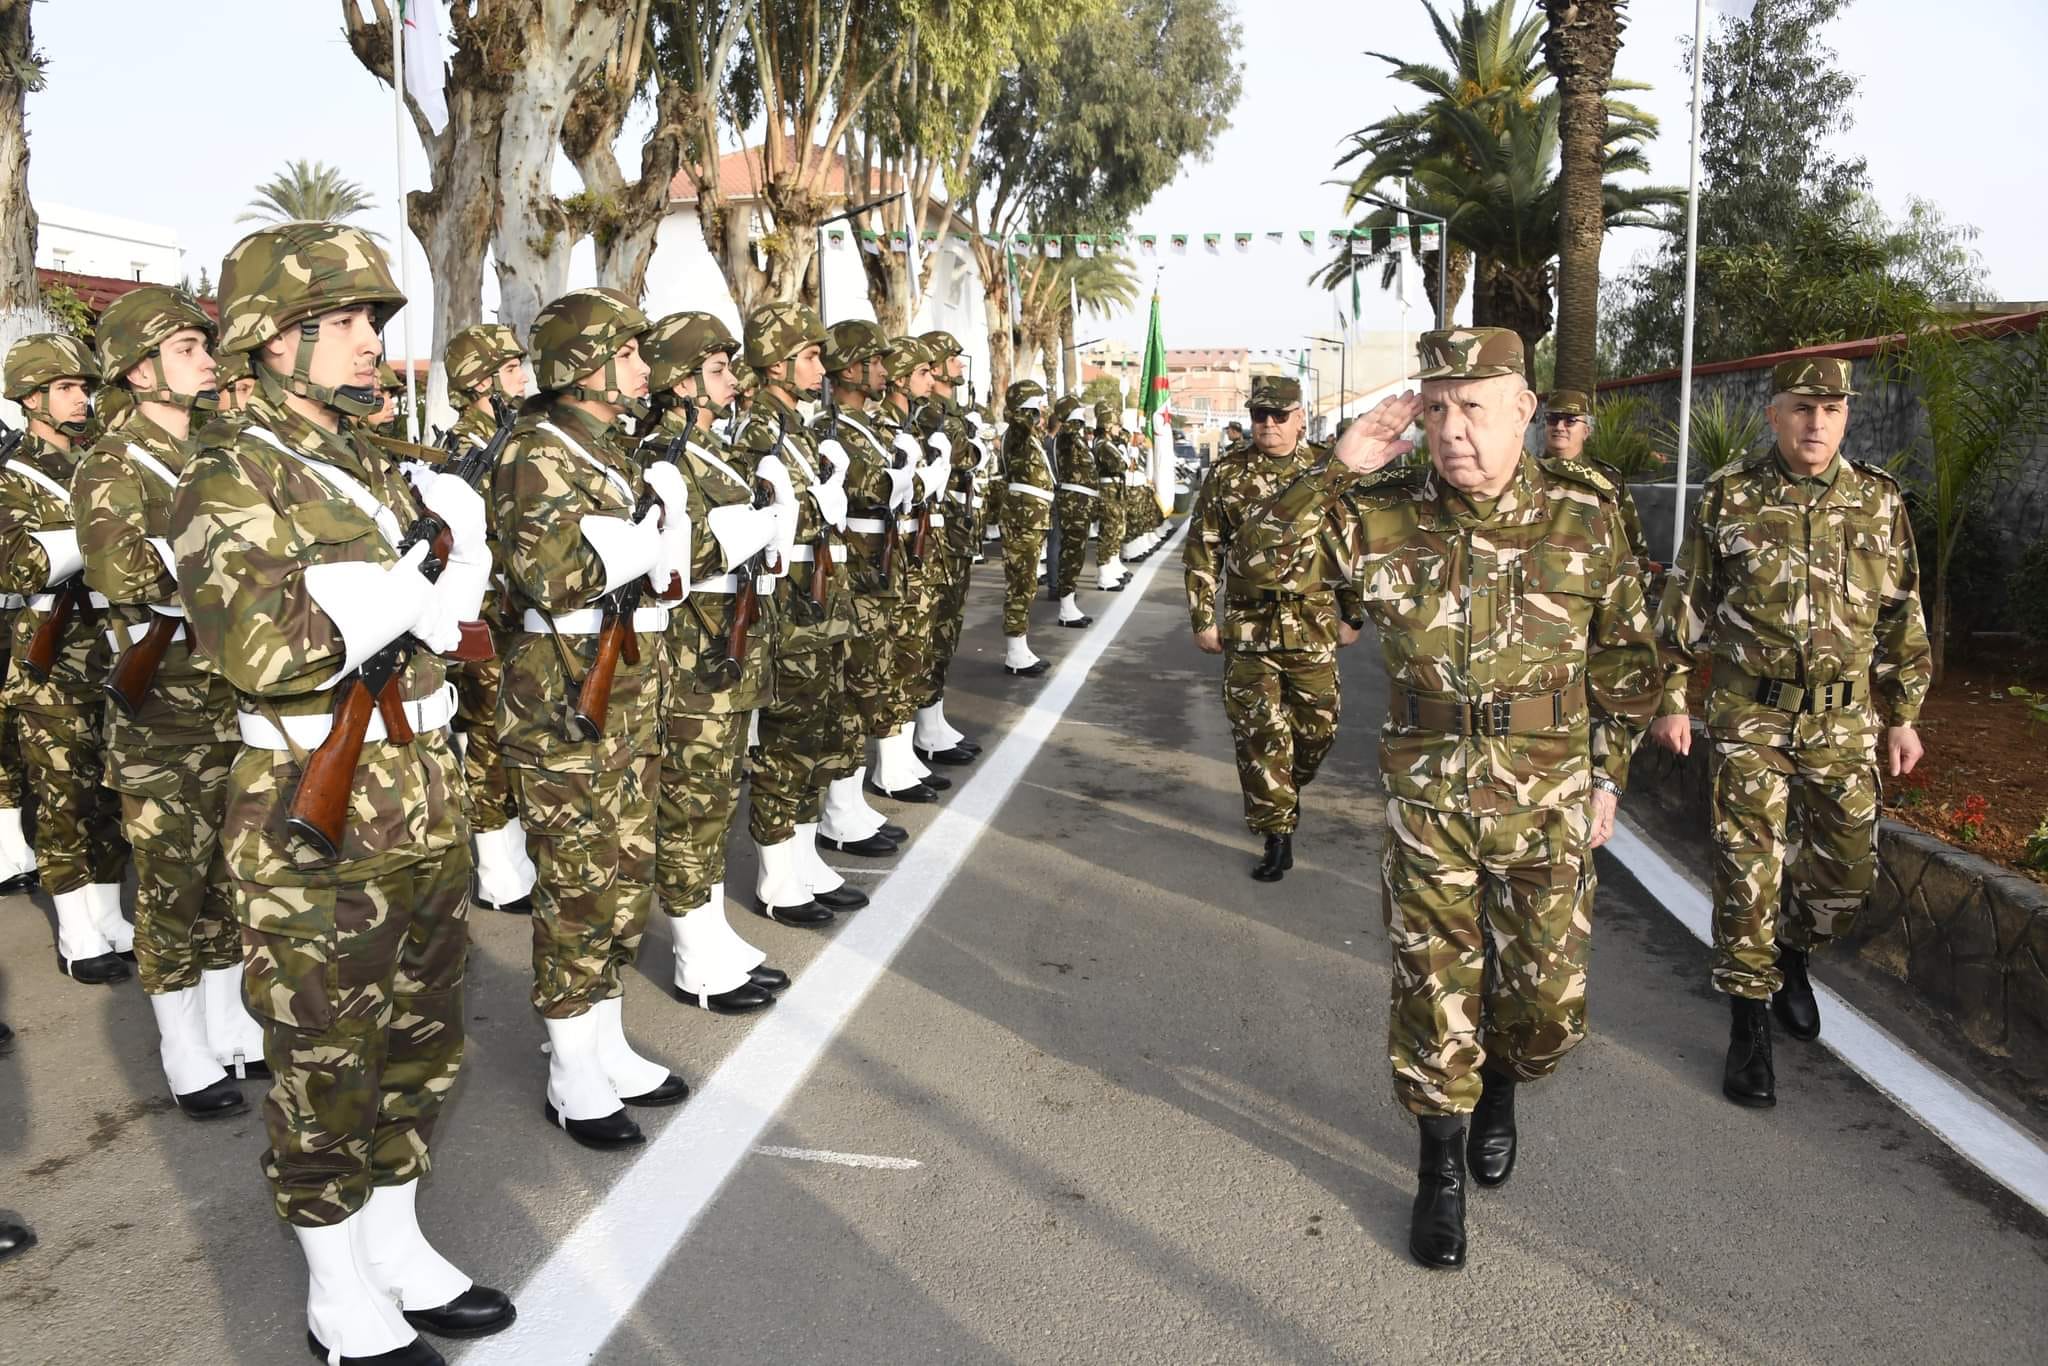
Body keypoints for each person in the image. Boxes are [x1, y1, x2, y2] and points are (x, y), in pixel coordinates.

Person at [1234, 328, 1660, 1270]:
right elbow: (1255, 571)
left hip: (1546, 794)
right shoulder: (1379, 514)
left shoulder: (1587, 516)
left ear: (1524, 410)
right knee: (1434, 991)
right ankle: (1439, 1170)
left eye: (1474, 405)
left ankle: (1504, 1080)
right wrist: (1333, 469)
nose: (1452, 427)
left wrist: (1607, 770)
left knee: (1546, 1006)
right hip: (1426, 795)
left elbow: (1631, 658)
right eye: (1436, 406)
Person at [175, 222, 513, 1362]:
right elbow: (266, 650)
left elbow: (452, 630)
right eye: (348, 322)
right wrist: (404, 577)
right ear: (274, 339)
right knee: (326, 1054)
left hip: (420, 787)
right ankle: (335, 1288)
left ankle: (396, 1242)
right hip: (312, 808)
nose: (372, 341)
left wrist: (442, 566)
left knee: (420, 1041)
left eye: (375, 321)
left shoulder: (370, 462)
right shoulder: (228, 472)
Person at [1649, 356, 1930, 1108]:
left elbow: (1903, 612)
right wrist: (1673, 697)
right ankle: (1748, 1028)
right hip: (1751, 716)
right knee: (1748, 873)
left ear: (1847, 418)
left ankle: (1794, 951)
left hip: (1843, 719)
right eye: (1802, 408)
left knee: (1847, 873)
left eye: (1831, 410)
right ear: (1772, 414)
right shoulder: (1731, 495)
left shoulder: (1877, 500)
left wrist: (1903, 714)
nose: (1816, 423)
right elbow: (1688, 601)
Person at [492, 288, 691, 1150]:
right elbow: (555, 576)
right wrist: (644, 544)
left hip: (629, 694)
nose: (647, 369)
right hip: (565, 702)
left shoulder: (610, 449)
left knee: (624, 873)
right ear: (585, 365)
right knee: (577, 884)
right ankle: (571, 1070)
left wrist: (664, 540)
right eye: (631, 353)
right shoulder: (534, 454)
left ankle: (605, 1042)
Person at [75, 285, 265, 1120]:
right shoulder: (109, 467)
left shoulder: (224, 447)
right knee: (171, 888)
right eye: (188, 349)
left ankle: (229, 1024)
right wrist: (223, 561)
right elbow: (126, 577)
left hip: (238, 700)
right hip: (164, 719)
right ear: (140, 369)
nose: (207, 361)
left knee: (230, 876)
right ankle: (181, 1045)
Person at [637, 309, 789, 1012]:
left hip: (727, 653)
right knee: (691, 802)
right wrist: (748, 526)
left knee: (719, 796)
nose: (731, 380)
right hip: (693, 659)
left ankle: (710, 926)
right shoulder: (661, 457)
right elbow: (671, 559)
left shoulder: (708, 451)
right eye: (717, 369)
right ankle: (694, 953)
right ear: (680, 381)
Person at [1182, 376, 1357, 883]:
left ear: (1301, 416)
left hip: (1312, 620)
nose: (1269, 424)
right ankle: (1277, 832)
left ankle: (1285, 786)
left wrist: (1354, 613)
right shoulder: (1228, 473)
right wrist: (1202, 616)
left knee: (1318, 728)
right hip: (1249, 623)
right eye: (1261, 415)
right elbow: (1204, 545)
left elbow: (1348, 546)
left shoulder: (1326, 471)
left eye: (1280, 415)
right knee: (1259, 733)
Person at [0, 333, 131, 984]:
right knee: (62, 798)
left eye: (84, 388)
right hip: (47, 661)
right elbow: (19, 561)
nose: (83, 400)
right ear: (30, 398)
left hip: (106, 650)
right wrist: (97, 539)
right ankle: (76, 930)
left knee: (108, 792)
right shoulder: (9, 475)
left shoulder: (94, 466)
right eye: (67, 389)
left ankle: (108, 914)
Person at [732, 302, 866, 924]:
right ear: (777, 363)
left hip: (821, 605)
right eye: (809, 357)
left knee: (818, 733)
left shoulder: (799, 430)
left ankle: (806, 855)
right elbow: (770, 526)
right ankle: (775, 870)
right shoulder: (757, 432)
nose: (820, 367)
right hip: (789, 611)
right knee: (786, 742)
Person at [439, 322, 536, 915]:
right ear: (480, 383)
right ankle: (497, 867)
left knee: (513, 732)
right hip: (480, 613)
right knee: (487, 736)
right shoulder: (462, 452)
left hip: (513, 607)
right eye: (510, 369)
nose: (523, 376)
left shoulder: (512, 437)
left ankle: (514, 852)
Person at [815, 320, 921, 846]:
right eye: (875, 362)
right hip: (855, 577)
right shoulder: (829, 431)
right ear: (853, 369)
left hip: (881, 571)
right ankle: (839, 808)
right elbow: (867, 489)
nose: (884, 371)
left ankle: (851, 801)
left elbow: (905, 486)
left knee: (874, 683)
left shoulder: (873, 429)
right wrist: (896, 479)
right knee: (854, 688)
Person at [912, 329, 984, 764]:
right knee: (933, 629)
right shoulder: (928, 414)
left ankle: (933, 720)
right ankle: (925, 728)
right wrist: (971, 442)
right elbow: (967, 457)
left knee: (947, 630)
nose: (959, 363)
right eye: (952, 357)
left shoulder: (948, 411)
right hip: (938, 531)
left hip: (955, 528)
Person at [1543, 389, 1654, 573]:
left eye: (1570, 420)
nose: (1560, 427)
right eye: (1553, 419)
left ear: (1586, 431)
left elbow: (1633, 548)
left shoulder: (1608, 480)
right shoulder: (1525, 473)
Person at [998, 380, 1054, 676]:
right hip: (1022, 519)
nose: (1042, 410)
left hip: (1032, 518)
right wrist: (1024, 406)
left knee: (1027, 582)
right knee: (1020, 583)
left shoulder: (1029, 436)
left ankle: (1020, 646)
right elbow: (1016, 418)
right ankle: (1015, 653)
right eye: (1037, 405)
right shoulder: (1017, 434)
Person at [1049, 396, 1098, 629]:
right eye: (1077, 411)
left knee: (1076, 554)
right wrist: (1073, 417)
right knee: (1071, 553)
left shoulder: (1077, 439)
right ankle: (1066, 607)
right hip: (1073, 503)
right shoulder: (1066, 438)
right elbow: (1068, 431)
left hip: (1081, 502)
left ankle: (1069, 604)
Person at [1092, 403, 1131, 592]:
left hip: (1114, 490)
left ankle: (1112, 565)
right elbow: (1120, 465)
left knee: (1116, 529)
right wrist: (1124, 462)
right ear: (1107, 426)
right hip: (1107, 491)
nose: (1119, 430)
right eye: (1116, 426)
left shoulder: (1109, 444)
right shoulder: (1103, 446)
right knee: (1108, 531)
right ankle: (1104, 573)